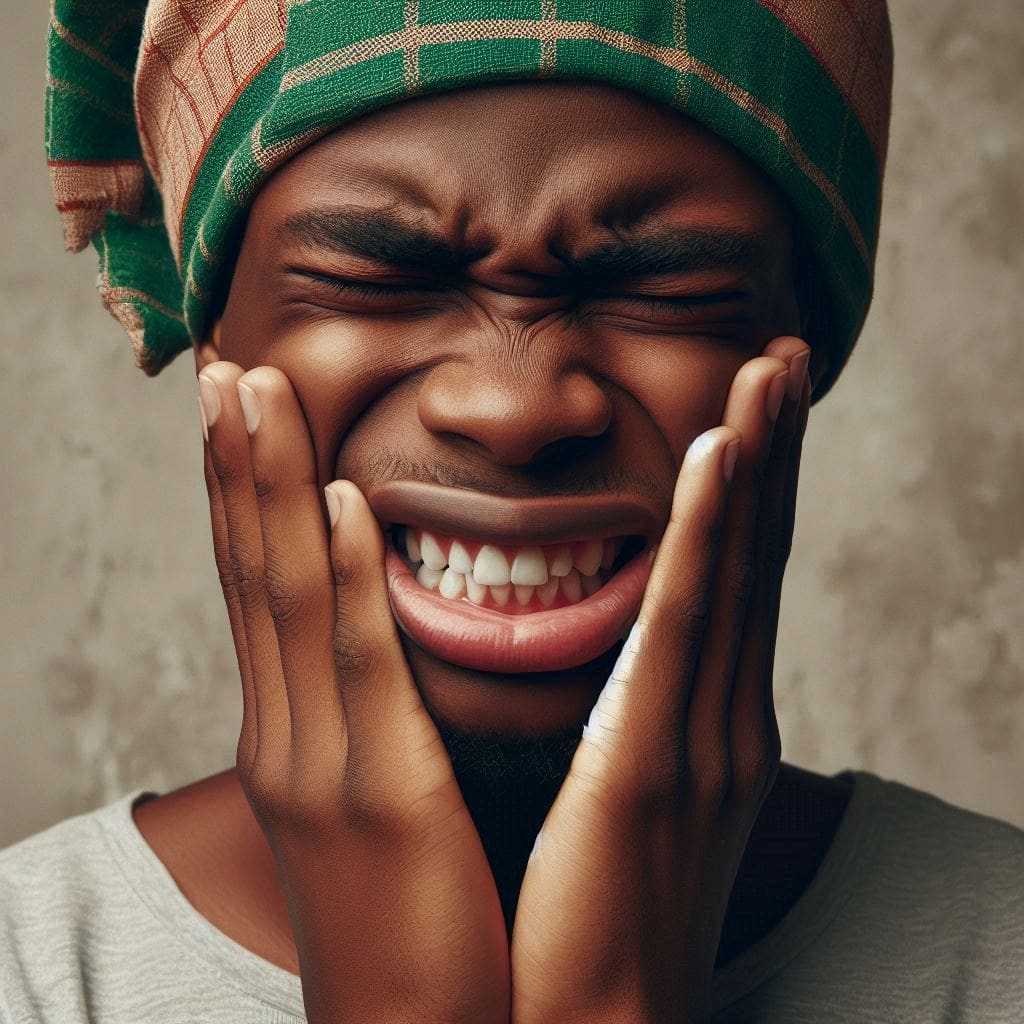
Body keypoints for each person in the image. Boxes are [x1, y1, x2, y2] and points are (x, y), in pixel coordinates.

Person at [3, 1, 1021, 1021]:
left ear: (798, 358)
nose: (514, 409)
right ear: (220, 354)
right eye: (373, 277)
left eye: (665, 290)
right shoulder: (36, 973)